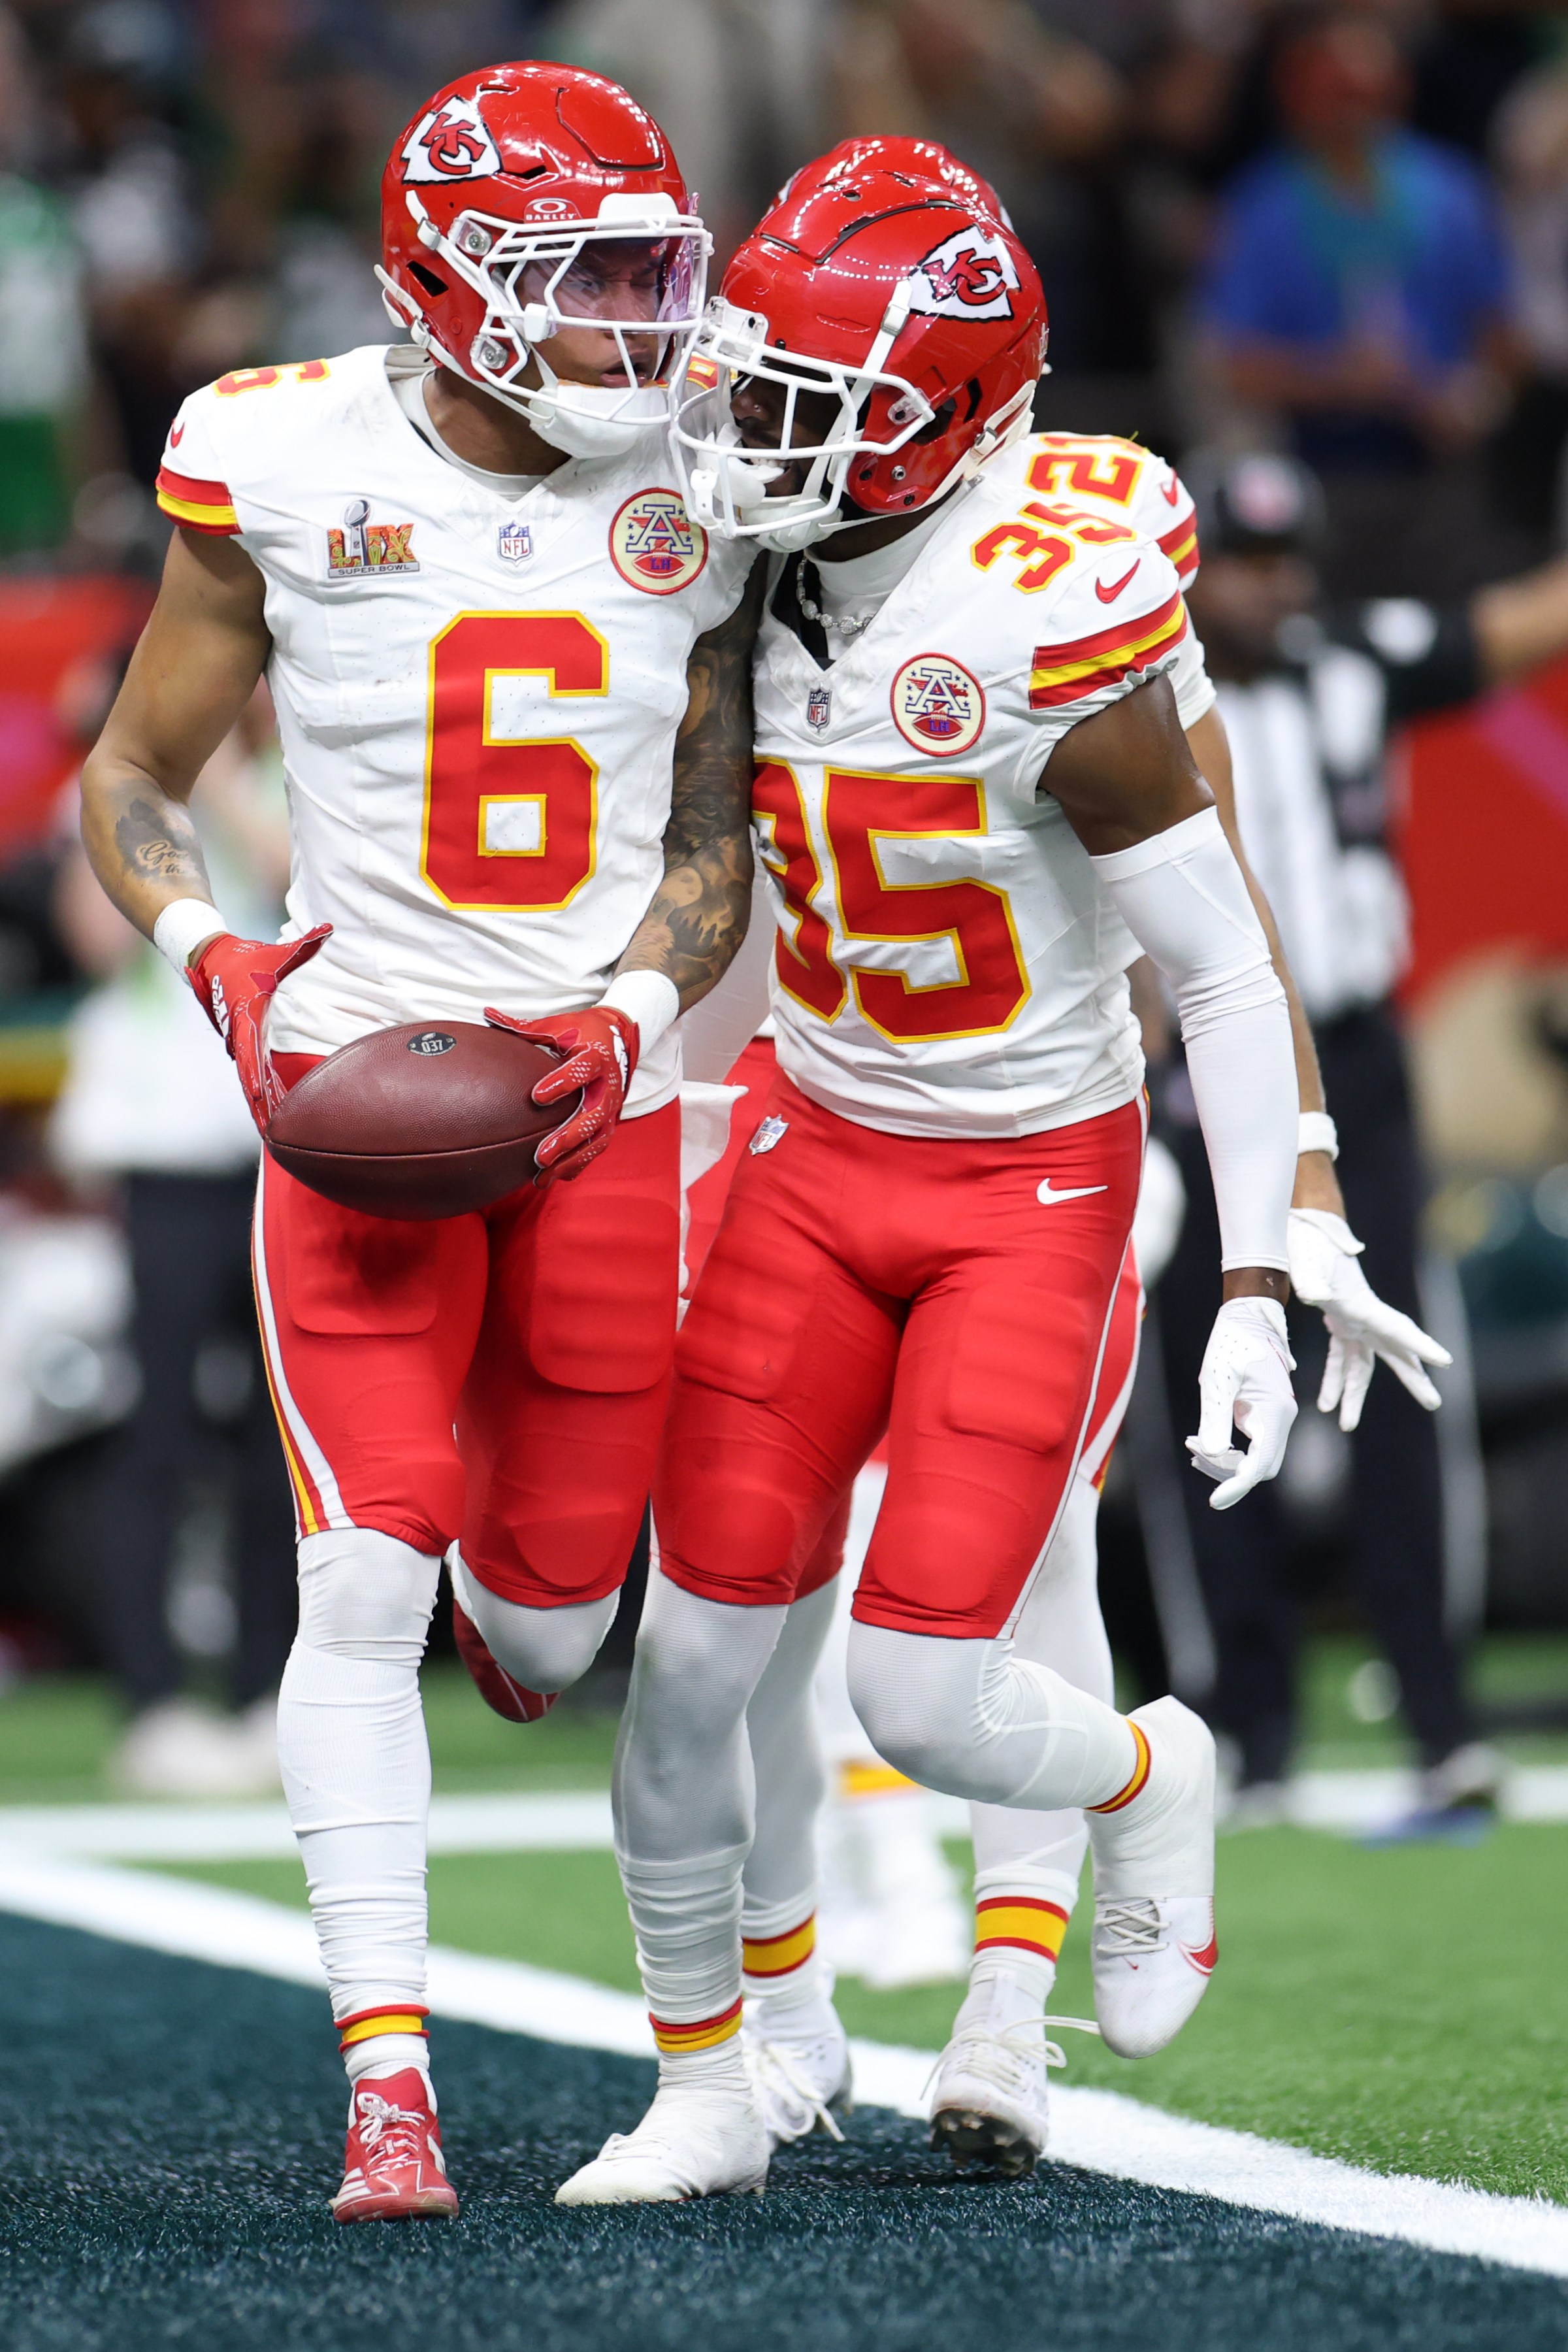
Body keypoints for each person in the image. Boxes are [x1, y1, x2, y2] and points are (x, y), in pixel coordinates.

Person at [642, 137, 1447, 2187]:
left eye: (803, 409)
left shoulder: (1050, 601)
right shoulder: (768, 554)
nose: (750, 436)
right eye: (753, 384)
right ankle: (746, 2055)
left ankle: (1101, 1853)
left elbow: (1231, 949)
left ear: (940, 428)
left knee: (948, 1660)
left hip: (1035, 1170)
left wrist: (1277, 1246)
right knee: (704, 1647)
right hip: (819, 1141)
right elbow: (712, 858)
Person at [78, 61, 758, 2224]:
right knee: (358, 1574)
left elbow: (714, 845)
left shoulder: (709, 467)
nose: (639, 329)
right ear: (449, 291)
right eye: (587, 284)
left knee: (554, 1634)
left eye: (659, 273)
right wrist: (216, 965)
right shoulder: (275, 459)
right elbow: (130, 782)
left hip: (601, 1110)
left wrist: (629, 1009)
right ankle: (392, 2085)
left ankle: (510, 1586)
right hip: (355, 1099)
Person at [1163, 447, 1568, 1824]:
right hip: (1205, 1079)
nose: (1274, 586)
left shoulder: (1353, 663)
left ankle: (1437, 1717)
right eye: (1246, 561)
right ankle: (1246, 1728)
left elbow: (1512, 628)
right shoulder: (1134, 685)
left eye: (1289, 560)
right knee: (1207, 1392)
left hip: (1359, 1065)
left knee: (1402, 1380)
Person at [54, 689, 297, 1797]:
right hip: (163, 1154)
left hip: (282, 1145)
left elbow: (294, 883)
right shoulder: (131, 778)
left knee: (275, 1444)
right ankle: (150, 1699)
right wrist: (151, 795)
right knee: (154, 1428)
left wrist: (237, 784)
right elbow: (94, 936)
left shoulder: (306, 772)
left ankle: (263, 1694)